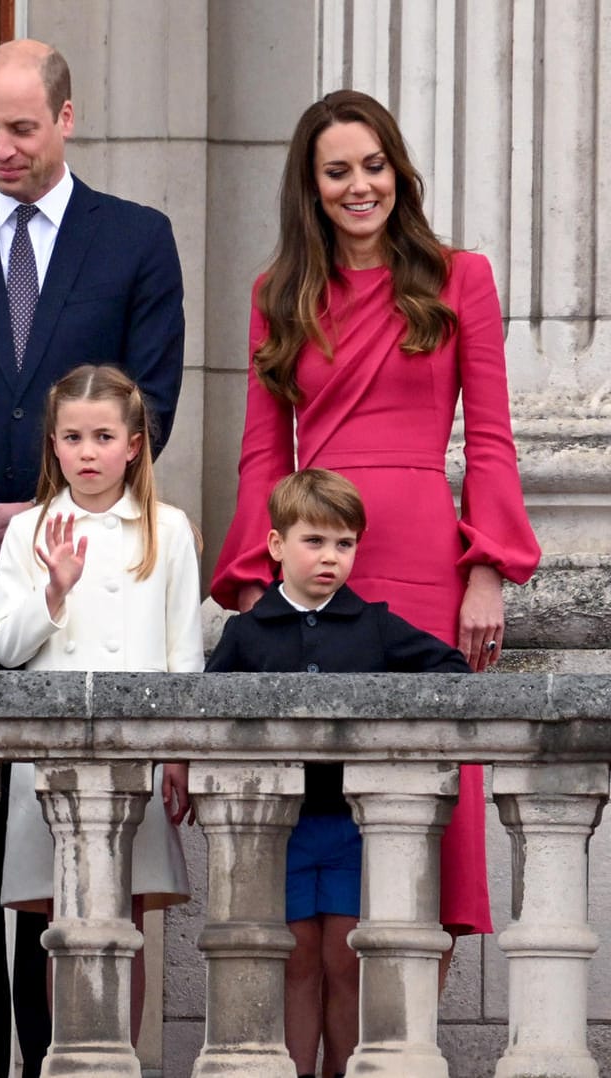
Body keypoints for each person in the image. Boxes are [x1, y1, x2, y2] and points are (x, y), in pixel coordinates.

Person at [0, 39, 186, 1067]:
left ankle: (69, 1057)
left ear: (66, 119)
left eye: (19, 128)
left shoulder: (137, 239)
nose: (0, 148)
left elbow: (154, 396)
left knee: (72, 855)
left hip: (88, 576)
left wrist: (49, 503)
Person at [209, 89, 541, 946]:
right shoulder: (275, 292)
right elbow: (261, 454)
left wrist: (486, 570)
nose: (360, 186)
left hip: (426, 564)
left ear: (397, 169)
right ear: (310, 186)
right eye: (337, 171)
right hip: (315, 559)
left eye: (374, 165)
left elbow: (494, 440)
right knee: (318, 799)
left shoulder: (460, 276)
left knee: (428, 802)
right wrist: (255, 581)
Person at [208, 468, 469, 1078]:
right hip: (281, 832)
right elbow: (205, 713)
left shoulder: (375, 625)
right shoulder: (247, 633)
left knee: (346, 961)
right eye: (314, 541)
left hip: (354, 829)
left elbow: (449, 670)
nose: (330, 557)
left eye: (344, 544)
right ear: (276, 546)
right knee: (295, 963)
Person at [0, 364, 197, 1049]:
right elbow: (3, 646)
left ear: (134, 444)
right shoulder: (30, 531)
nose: (88, 451)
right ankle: (68, 1057)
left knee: (123, 922)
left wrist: (178, 752)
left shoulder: (167, 529)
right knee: (62, 926)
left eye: (103, 436)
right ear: (52, 444)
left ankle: (120, 1060)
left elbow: (181, 658)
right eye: (72, 437)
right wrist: (54, 591)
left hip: (135, 756)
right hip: (51, 762)